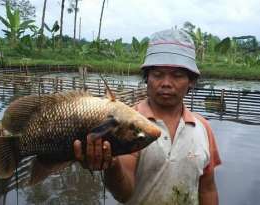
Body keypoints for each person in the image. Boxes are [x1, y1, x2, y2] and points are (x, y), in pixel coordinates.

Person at [73, 28, 221, 205]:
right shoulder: (128, 124)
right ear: (147, 78)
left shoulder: (202, 128)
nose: (166, 83)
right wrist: (112, 165)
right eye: (157, 74)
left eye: (177, 75)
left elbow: (207, 188)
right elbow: (124, 193)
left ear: (191, 81)